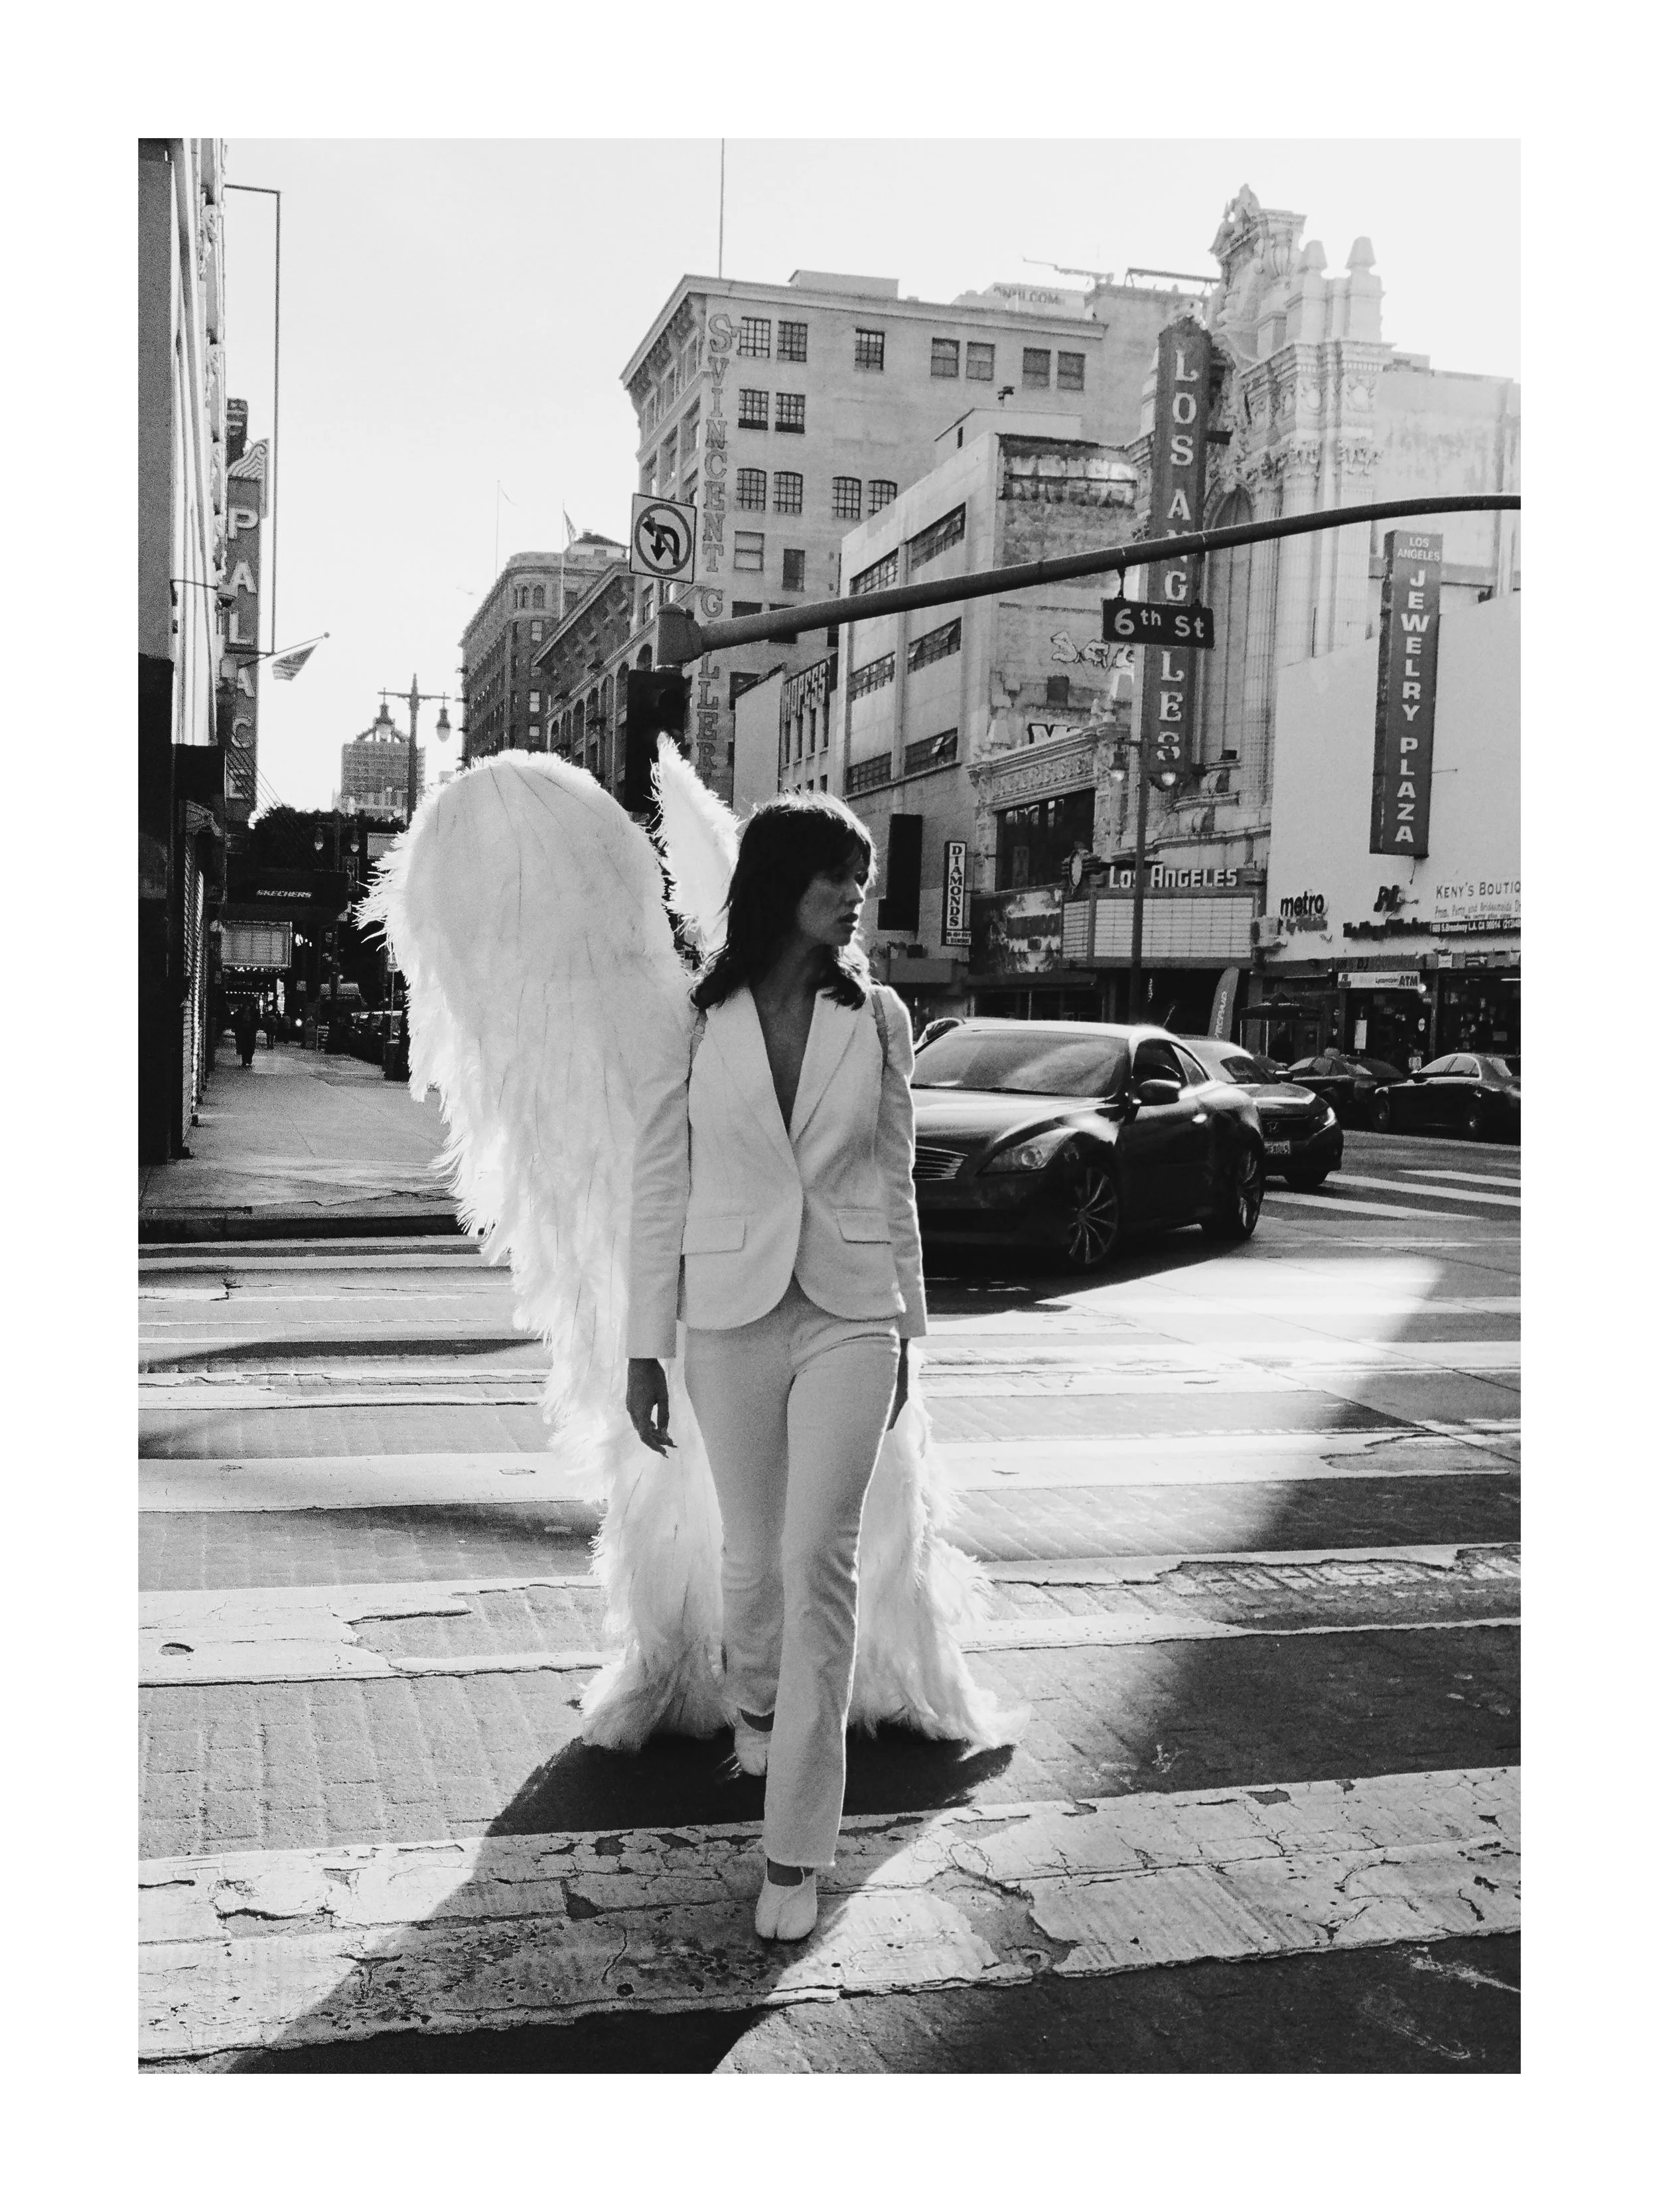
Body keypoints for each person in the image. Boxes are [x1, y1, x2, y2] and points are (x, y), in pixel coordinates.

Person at [625, 793, 925, 1944]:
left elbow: (894, 1177)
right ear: (779, 884)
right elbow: (661, 1184)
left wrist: (908, 1329)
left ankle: (796, 1850)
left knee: (816, 1562)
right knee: (753, 1560)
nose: (854, 897)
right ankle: (753, 1698)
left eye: (860, 880)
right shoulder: (696, 1021)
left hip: (851, 1311)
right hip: (730, 1315)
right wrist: (644, 1346)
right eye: (835, 877)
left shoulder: (879, 1017)